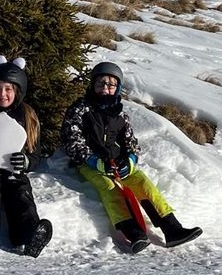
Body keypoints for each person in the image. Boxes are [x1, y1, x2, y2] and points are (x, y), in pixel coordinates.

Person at [61, 61, 202, 253]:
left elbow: (131, 143)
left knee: (143, 183)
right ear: (92, 85)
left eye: (110, 85)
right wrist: (95, 162)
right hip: (89, 164)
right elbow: (72, 140)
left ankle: (172, 228)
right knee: (109, 187)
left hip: (117, 163)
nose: (105, 88)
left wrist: (130, 160)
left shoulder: (119, 114)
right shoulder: (80, 109)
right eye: (100, 83)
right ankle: (133, 233)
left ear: (117, 88)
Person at [0, 57, 53, 257]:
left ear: (18, 91)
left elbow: (35, 155)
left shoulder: (27, 117)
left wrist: (26, 161)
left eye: (8, 90)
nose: (2, 95)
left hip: (14, 172)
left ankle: (30, 232)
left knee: (21, 194)